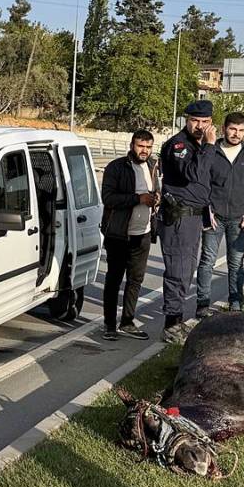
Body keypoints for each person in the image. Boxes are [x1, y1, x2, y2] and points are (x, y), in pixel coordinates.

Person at [195, 112, 244, 313]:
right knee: (207, 261)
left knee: (236, 264)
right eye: (233, 129)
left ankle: (236, 304)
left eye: (241, 130)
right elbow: (200, 182)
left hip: (239, 219)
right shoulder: (210, 151)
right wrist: (205, 209)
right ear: (224, 128)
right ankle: (202, 305)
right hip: (213, 218)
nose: (236, 134)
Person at [159, 100, 217, 341]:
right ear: (186, 119)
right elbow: (193, 174)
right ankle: (171, 324)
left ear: (211, 122)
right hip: (178, 217)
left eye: (205, 122)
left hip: (193, 217)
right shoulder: (179, 145)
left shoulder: (199, 146)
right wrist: (210, 146)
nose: (200, 126)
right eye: (195, 121)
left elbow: (204, 184)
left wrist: (207, 209)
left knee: (187, 270)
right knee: (177, 271)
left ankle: (177, 319)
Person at [99, 130, 159, 341]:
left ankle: (127, 321)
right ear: (132, 145)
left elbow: (154, 192)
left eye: (148, 147)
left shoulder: (153, 166)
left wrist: (156, 198)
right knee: (114, 279)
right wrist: (138, 199)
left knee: (135, 279)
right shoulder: (117, 167)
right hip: (118, 233)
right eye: (140, 146)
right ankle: (109, 324)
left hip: (143, 233)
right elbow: (108, 198)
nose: (144, 150)